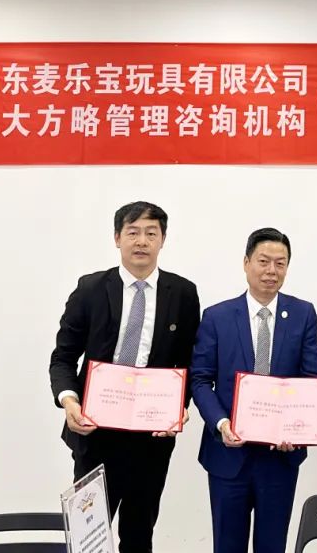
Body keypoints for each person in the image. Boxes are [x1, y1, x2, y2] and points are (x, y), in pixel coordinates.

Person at [49, 201, 201, 553]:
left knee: (138, 535)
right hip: (95, 432)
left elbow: (188, 363)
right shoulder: (90, 289)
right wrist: (69, 401)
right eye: (133, 232)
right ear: (117, 238)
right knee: (88, 536)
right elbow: (63, 357)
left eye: (151, 233)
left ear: (163, 240)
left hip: (151, 438)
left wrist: (180, 407)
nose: (142, 241)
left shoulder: (183, 293)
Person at [191, 227, 317, 553]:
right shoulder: (217, 316)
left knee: (272, 546)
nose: (271, 271)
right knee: (227, 546)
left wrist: (297, 429)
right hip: (227, 454)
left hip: (280, 458)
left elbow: (310, 379)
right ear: (246, 263)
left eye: (280, 263)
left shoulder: (303, 314)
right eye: (263, 261)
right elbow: (200, 379)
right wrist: (221, 423)